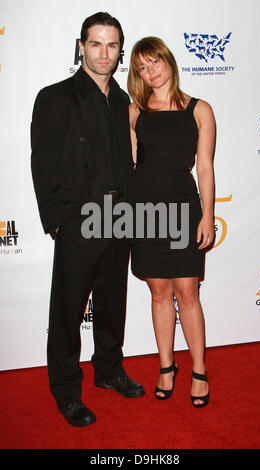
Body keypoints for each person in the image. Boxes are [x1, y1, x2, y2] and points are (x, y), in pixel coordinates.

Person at [31, 12, 145, 428]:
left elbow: (126, 162)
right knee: (67, 311)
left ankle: (110, 371)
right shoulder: (55, 97)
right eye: (95, 44)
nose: (104, 53)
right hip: (79, 220)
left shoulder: (121, 101)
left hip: (119, 218)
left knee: (112, 303)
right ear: (81, 46)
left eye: (112, 45)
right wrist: (57, 221)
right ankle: (66, 391)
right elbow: (41, 163)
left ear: (120, 51)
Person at [127, 37, 215, 406]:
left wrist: (208, 215)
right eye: (142, 68)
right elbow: (130, 167)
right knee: (159, 293)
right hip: (145, 213)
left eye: (154, 63)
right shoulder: (134, 112)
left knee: (188, 294)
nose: (150, 72)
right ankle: (166, 366)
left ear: (168, 62)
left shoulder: (200, 109)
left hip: (183, 210)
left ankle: (199, 370)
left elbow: (206, 167)